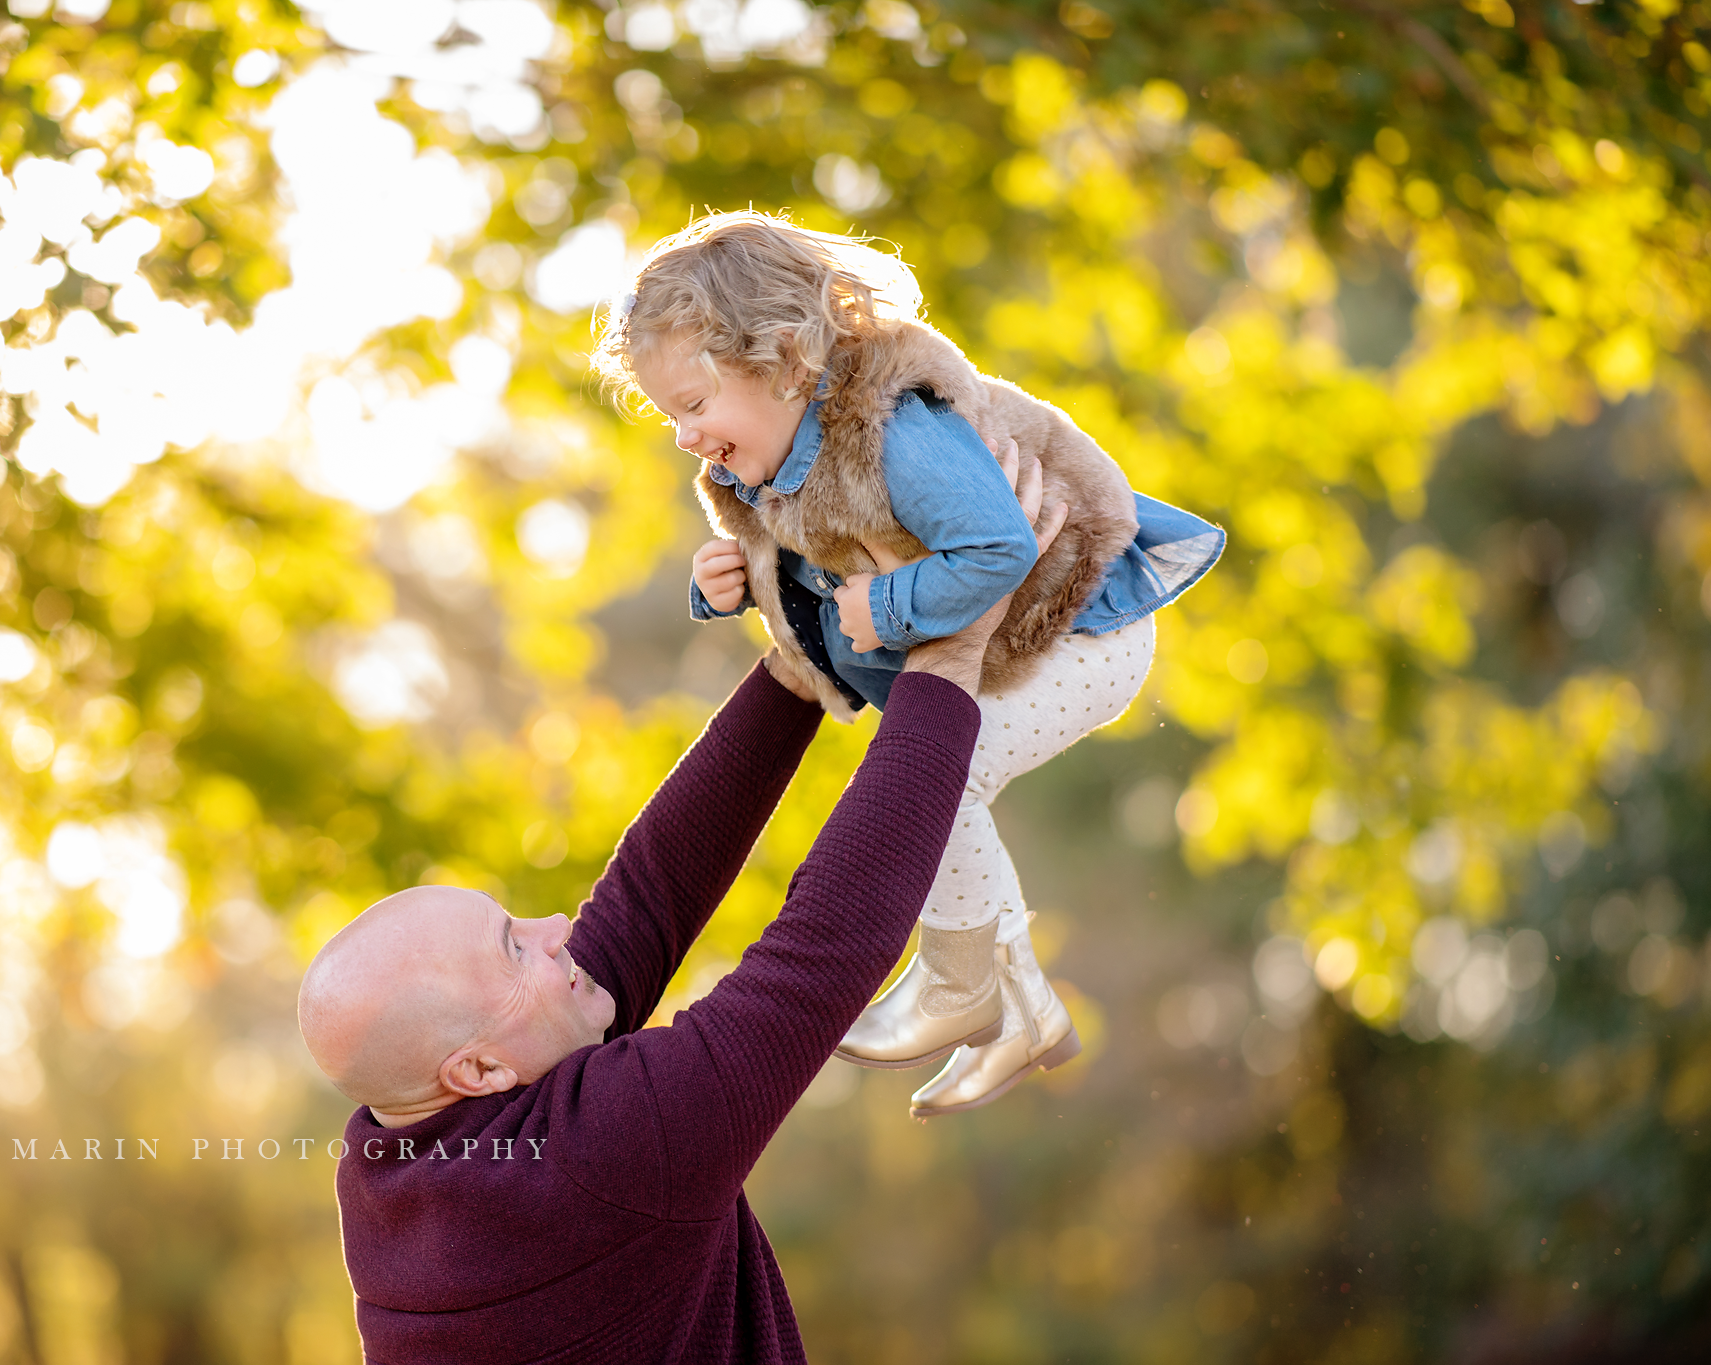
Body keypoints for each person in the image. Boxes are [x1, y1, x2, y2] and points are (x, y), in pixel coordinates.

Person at [295, 464, 1039, 1364]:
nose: (558, 930)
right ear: (481, 1068)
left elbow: (642, 902)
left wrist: (795, 668)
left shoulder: (398, 1141)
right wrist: (950, 658)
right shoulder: (594, 1164)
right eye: (514, 949)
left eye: (516, 919)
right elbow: (820, 959)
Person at [590, 209, 1225, 1115]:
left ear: (784, 358)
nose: (686, 436)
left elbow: (999, 546)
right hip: (1013, 649)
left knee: (930, 786)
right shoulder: (770, 462)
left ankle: (958, 983)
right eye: (671, 418)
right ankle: (1020, 1017)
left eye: (694, 407)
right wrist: (721, 583)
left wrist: (888, 605)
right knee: (922, 782)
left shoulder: (896, 430)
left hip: (1084, 630)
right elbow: (803, 553)